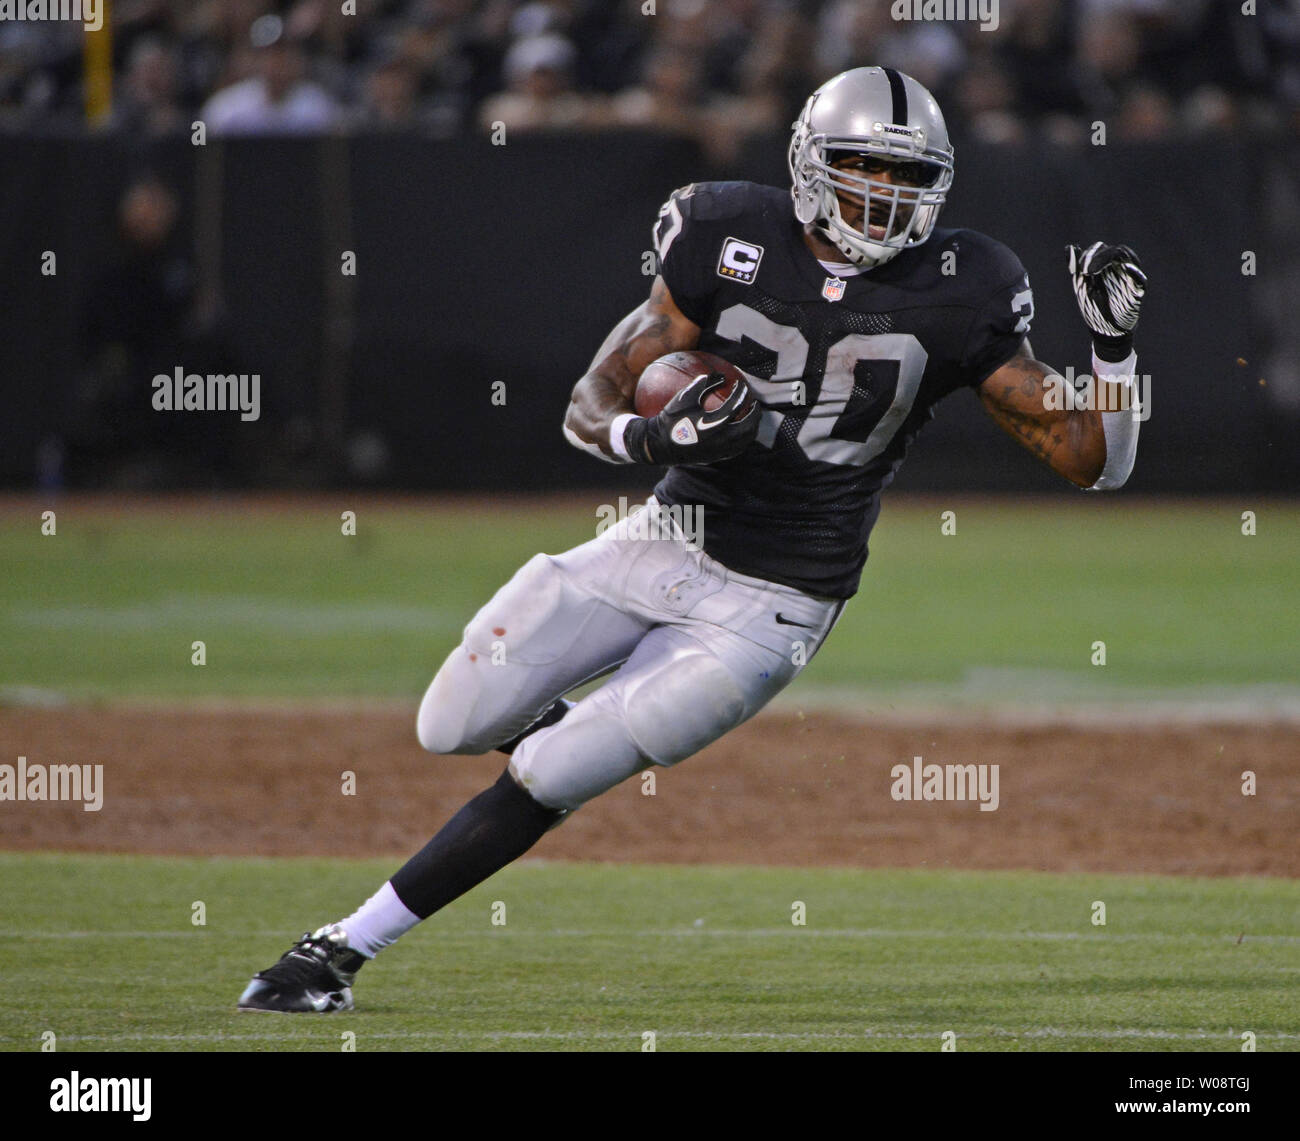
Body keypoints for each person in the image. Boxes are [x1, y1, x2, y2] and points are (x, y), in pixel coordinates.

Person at [237, 66, 1146, 1013]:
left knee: (549, 774)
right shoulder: (725, 233)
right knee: (448, 723)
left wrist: (1114, 353)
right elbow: (592, 398)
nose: (881, 197)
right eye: (861, 167)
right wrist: (645, 435)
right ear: (806, 160)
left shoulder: (966, 284)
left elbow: (1094, 461)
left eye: (904, 178)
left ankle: (335, 952)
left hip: (773, 606)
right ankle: (554, 723)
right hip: (662, 538)